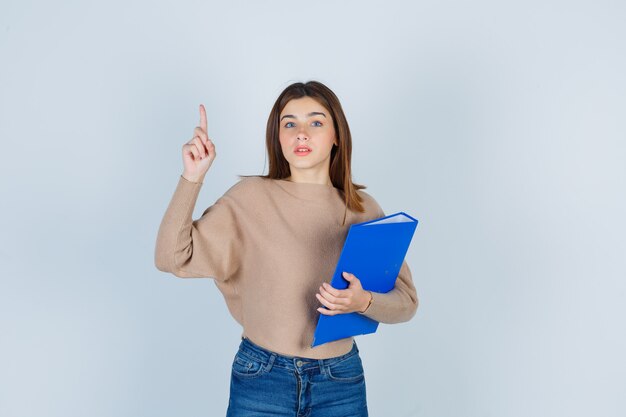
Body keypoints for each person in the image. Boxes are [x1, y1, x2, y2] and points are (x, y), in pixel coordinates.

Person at [155, 80, 418, 417]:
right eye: (289, 123)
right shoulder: (249, 198)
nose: (301, 133)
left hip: (339, 381)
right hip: (261, 378)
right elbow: (170, 258)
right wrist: (192, 177)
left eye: (316, 122)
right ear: (277, 137)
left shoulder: (364, 209)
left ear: (337, 135)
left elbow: (406, 303)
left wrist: (362, 301)